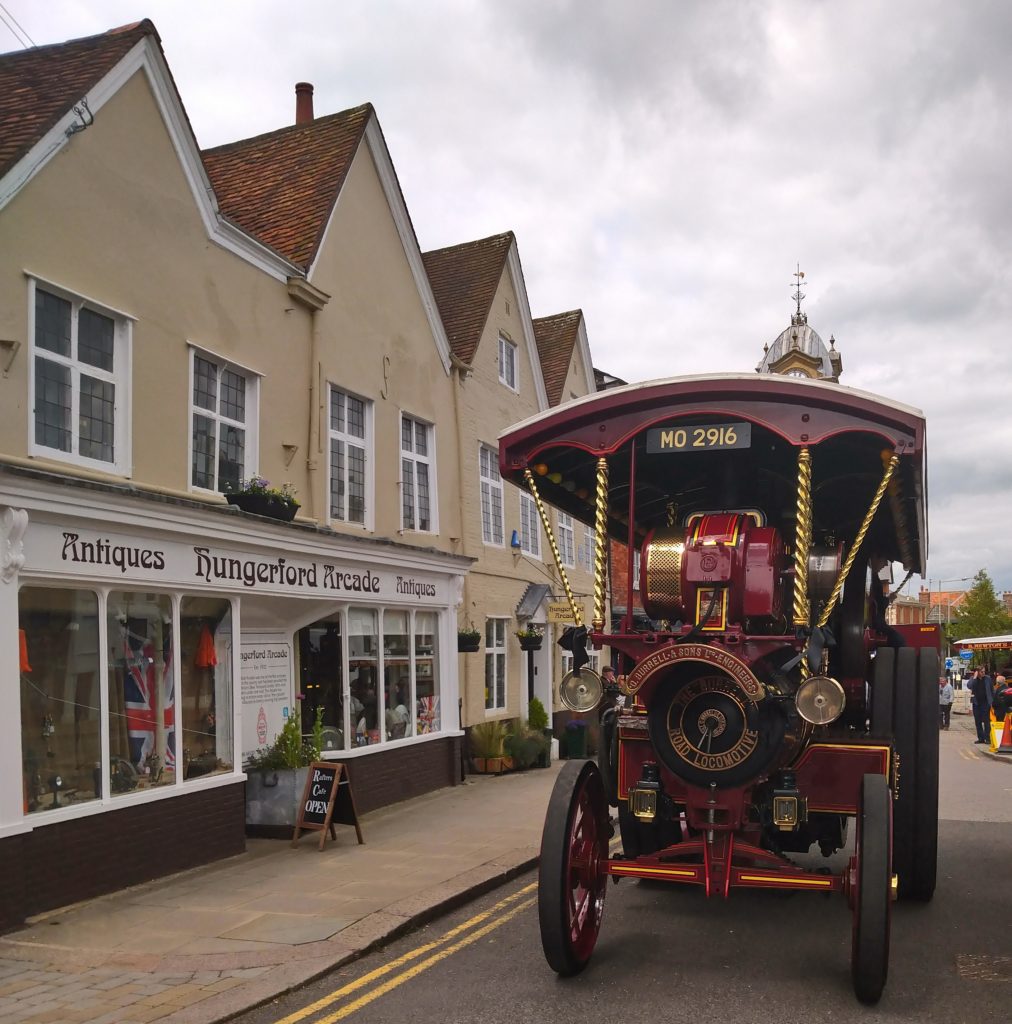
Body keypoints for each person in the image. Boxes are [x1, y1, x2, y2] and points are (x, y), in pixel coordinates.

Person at [968, 666, 993, 743]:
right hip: (976, 703)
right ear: (977, 672)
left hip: (986, 703)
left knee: (986, 721)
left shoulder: (988, 679)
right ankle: (981, 738)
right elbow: (969, 686)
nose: (983, 673)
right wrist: (974, 678)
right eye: (982, 672)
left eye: (984, 671)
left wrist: (992, 701)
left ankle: (987, 738)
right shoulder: (973, 679)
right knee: (978, 721)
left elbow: (992, 690)